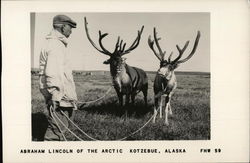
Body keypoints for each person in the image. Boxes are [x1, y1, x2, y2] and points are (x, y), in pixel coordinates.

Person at [39, 14, 78, 141]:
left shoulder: (55, 43)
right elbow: (53, 72)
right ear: (63, 27)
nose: (71, 31)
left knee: (61, 127)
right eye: (70, 27)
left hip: (60, 94)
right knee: (56, 131)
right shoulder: (56, 45)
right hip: (60, 95)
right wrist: (55, 97)